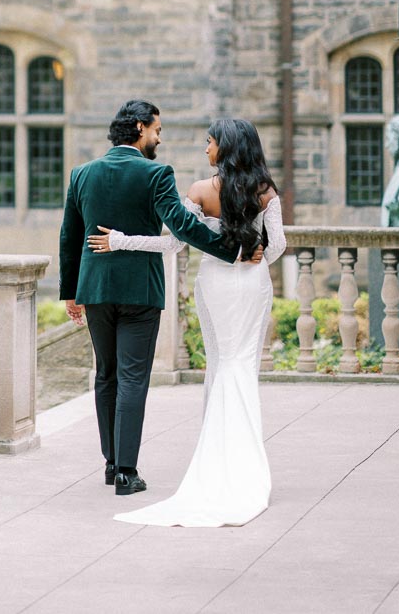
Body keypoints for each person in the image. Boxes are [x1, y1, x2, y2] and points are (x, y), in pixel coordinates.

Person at [88, 116, 286, 527]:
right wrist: (254, 258)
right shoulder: (266, 191)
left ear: (226, 148)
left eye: (210, 142)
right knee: (242, 365)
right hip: (252, 287)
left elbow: (174, 243)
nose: (205, 149)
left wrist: (120, 240)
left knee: (220, 363)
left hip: (213, 283)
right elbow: (278, 246)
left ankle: (216, 456)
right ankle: (245, 461)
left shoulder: (199, 190)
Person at [59, 100, 241, 498]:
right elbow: (182, 225)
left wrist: (71, 293)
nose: (159, 137)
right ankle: (127, 470)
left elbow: (69, 238)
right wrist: (231, 250)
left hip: (96, 290)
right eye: (157, 129)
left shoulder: (81, 174)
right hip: (140, 291)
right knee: (132, 378)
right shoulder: (156, 173)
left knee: (106, 375)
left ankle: (110, 464)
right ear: (140, 128)